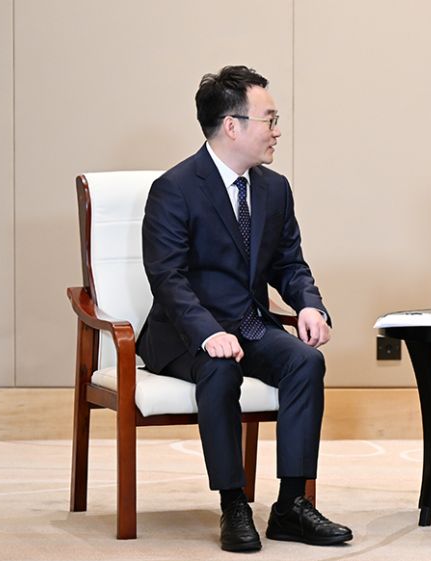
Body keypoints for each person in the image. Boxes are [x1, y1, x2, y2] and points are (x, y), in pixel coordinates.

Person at [137, 65, 352, 552]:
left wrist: (310, 307)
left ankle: (291, 505)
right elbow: (167, 277)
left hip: (250, 325)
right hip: (185, 333)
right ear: (232, 126)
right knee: (219, 367)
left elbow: (289, 263)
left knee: (305, 362)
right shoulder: (175, 188)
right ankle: (233, 503)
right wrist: (207, 332)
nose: (277, 130)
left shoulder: (273, 188)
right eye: (269, 119)